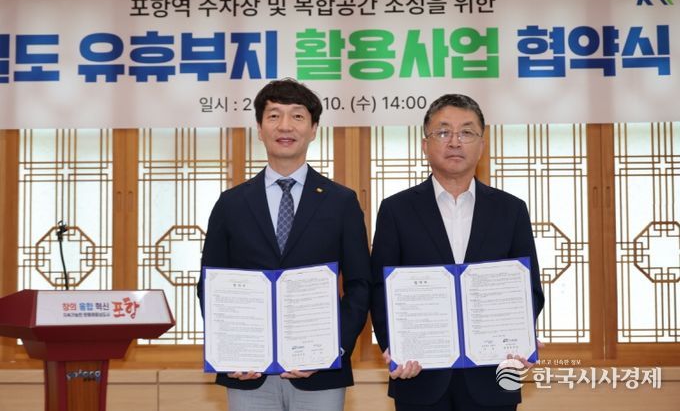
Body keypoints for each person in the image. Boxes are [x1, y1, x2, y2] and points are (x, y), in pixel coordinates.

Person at [198, 78, 371, 411]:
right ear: (259, 128)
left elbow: (360, 285)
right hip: (248, 371)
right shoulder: (231, 204)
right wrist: (228, 350)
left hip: (320, 371)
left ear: (314, 128)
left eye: (297, 116)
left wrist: (332, 350)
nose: (285, 126)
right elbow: (210, 284)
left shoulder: (341, 202)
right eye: (274, 115)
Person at [370, 93, 545, 411]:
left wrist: (519, 337)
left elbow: (528, 287)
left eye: (466, 132)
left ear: (482, 145)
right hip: (419, 376)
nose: (454, 142)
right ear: (425, 145)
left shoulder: (511, 210)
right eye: (443, 132)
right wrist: (395, 347)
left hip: (493, 376)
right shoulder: (396, 210)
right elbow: (380, 288)